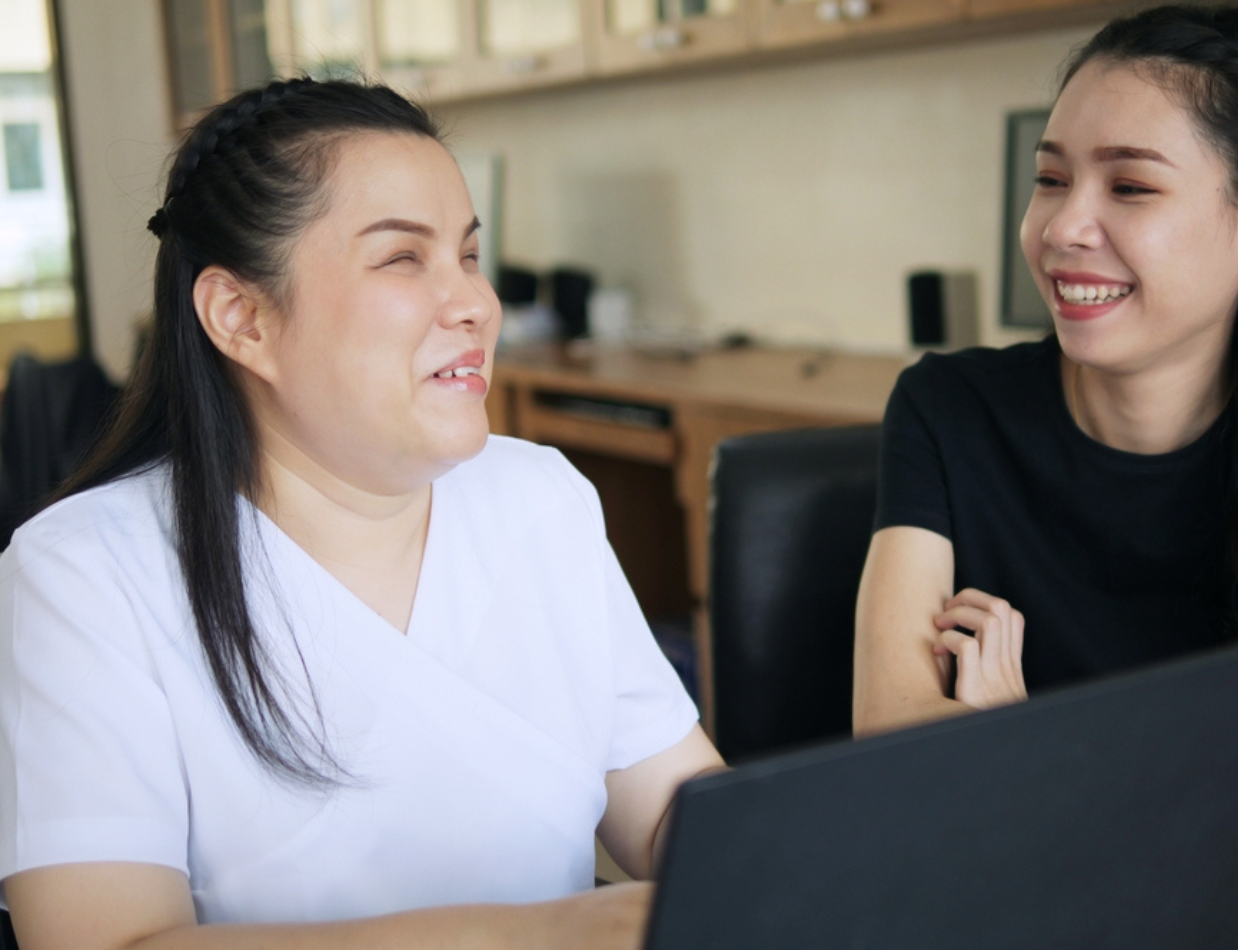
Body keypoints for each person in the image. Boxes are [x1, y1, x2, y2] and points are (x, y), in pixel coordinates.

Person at [0, 78, 723, 950]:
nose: (474, 305)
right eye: (401, 259)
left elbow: (674, 816)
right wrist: (552, 932)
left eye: (469, 256)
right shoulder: (85, 576)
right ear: (242, 317)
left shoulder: (540, 498)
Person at [853, 3, 1238, 864]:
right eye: (1051, 179)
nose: (1062, 228)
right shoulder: (947, 407)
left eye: (1130, 186)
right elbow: (895, 742)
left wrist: (1027, 745)